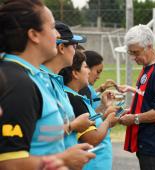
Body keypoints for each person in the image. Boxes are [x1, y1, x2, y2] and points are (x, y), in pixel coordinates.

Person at [0, 1, 95, 169]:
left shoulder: (34, 77)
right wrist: (63, 159)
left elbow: (40, 137)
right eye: (52, 27)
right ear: (34, 35)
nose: (58, 35)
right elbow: (9, 163)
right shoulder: (18, 83)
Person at [118, 25, 155, 170]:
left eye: (136, 52)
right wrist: (130, 110)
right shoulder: (149, 67)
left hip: (153, 142)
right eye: (130, 53)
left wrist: (134, 118)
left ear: (149, 46)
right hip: (145, 140)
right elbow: (148, 99)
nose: (133, 58)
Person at [59, 50, 119, 170]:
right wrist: (108, 121)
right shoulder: (73, 99)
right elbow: (92, 138)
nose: (88, 71)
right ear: (75, 73)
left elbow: (89, 123)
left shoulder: (75, 96)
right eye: (86, 67)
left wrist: (103, 108)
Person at [41, 21, 93, 149]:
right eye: (74, 46)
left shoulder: (55, 80)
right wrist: (73, 126)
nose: (77, 51)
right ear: (61, 48)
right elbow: (37, 135)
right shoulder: (40, 80)